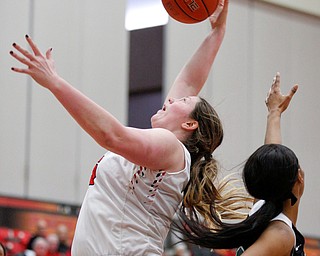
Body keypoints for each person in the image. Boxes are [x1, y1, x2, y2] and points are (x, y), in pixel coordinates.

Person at [10, 0, 245, 254]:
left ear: (189, 123)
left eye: (183, 101)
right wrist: (217, 33)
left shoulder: (171, 147)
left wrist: (55, 82)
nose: (173, 99)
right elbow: (189, 82)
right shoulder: (169, 149)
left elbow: (111, 135)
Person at [176, 73, 306, 256]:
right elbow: (274, 168)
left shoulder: (263, 208)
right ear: (299, 177)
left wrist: (274, 113)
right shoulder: (281, 234)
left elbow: (272, 166)